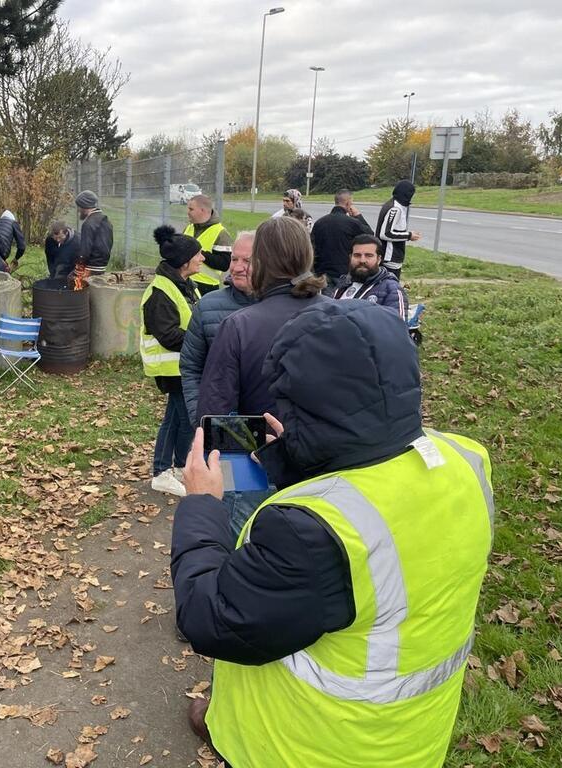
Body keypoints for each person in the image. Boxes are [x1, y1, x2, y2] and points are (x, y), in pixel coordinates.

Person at [171, 299, 493, 768]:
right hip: (409, 736)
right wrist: (296, 453)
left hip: (307, 744)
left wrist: (201, 503)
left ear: (305, 405)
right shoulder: (466, 460)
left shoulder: (308, 532)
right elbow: (376, 491)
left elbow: (210, 616)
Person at [195, 217, 328, 529]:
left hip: (258, 472)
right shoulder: (343, 315)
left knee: (244, 558)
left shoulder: (240, 326)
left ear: (261, 264)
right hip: (328, 470)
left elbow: (212, 418)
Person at [140, 225, 204, 497]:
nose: (202, 258)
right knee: (178, 419)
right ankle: (162, 471)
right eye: (198, 255)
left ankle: (176, 467)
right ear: (184, 261)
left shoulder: (183, 284)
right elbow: (168, 334)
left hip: (183, 365)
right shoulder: (161, 292)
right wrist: (202, 339)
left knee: (179, 418)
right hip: (171, 366)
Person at [180, 231, 256, 428]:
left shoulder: (281, 307)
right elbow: (191, 367)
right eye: (234, 259)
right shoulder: (207, 306)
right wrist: (201, 419)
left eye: (247, 261)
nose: (237, 268)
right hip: (219, 429)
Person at [332, 234, 408, 319]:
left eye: (369, 255)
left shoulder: (391, 289)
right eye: (357, 255)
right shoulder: (343, 283)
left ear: (379, 259)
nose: (362, 260)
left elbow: (399, 327)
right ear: (350, 257)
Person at [310, 189, 374, 284]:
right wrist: (358, 216)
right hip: (342, 272)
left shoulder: (319, 223)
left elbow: (312, 246)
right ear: (348, 203)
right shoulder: (352, 223)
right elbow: (369, 235)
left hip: (321, 272)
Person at [184, 194, 233, 296]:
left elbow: (224, 264)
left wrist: (199, 254)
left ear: (202, 210)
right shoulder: (188, 228)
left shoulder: (221, 233)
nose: (188, 213)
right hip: (185, 281)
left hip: (206, 287)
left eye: (191, 209)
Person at [376, 180, 421, 278]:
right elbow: (385, 233)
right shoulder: (395, 208)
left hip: (391, 257)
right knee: (390, 287)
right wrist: (409, 235)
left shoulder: (394, 204)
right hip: (390, 257)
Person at [74, 190, 114, 275]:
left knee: (70, 279)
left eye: (79, 207)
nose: (78, 210)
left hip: (89, 268)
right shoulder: (106, 221)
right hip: (102, 267)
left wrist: (77, 269)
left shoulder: (88, 224)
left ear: (84, 206)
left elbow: (85, 251)